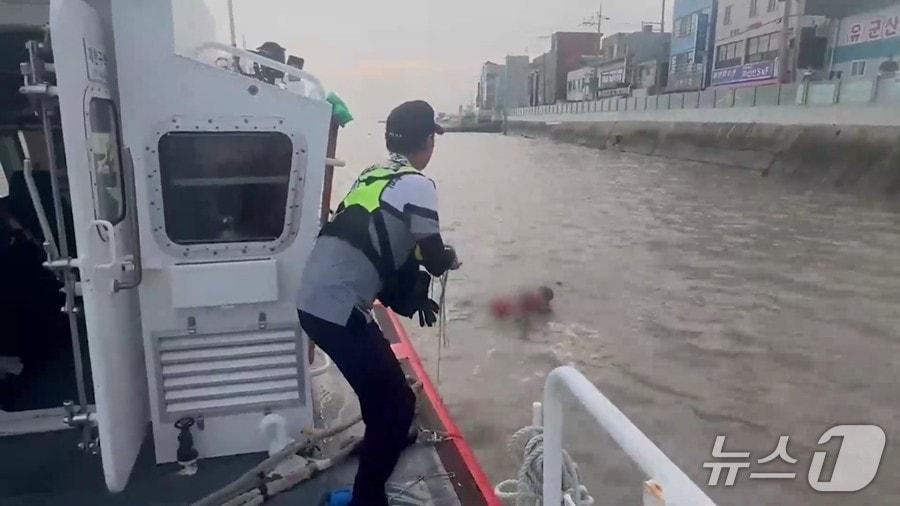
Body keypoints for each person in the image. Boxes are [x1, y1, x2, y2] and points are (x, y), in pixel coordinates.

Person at [296, 100, 459, 506]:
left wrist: (410, 290)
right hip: (339, 311)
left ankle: (375, 466)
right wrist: (449, 258)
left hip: (314, 302)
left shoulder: (373, 174)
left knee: (383, 400)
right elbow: (433, 256)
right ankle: (367, 499)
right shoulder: (420, 185)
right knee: (398, 407)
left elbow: (377, 243)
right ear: (428, 141)